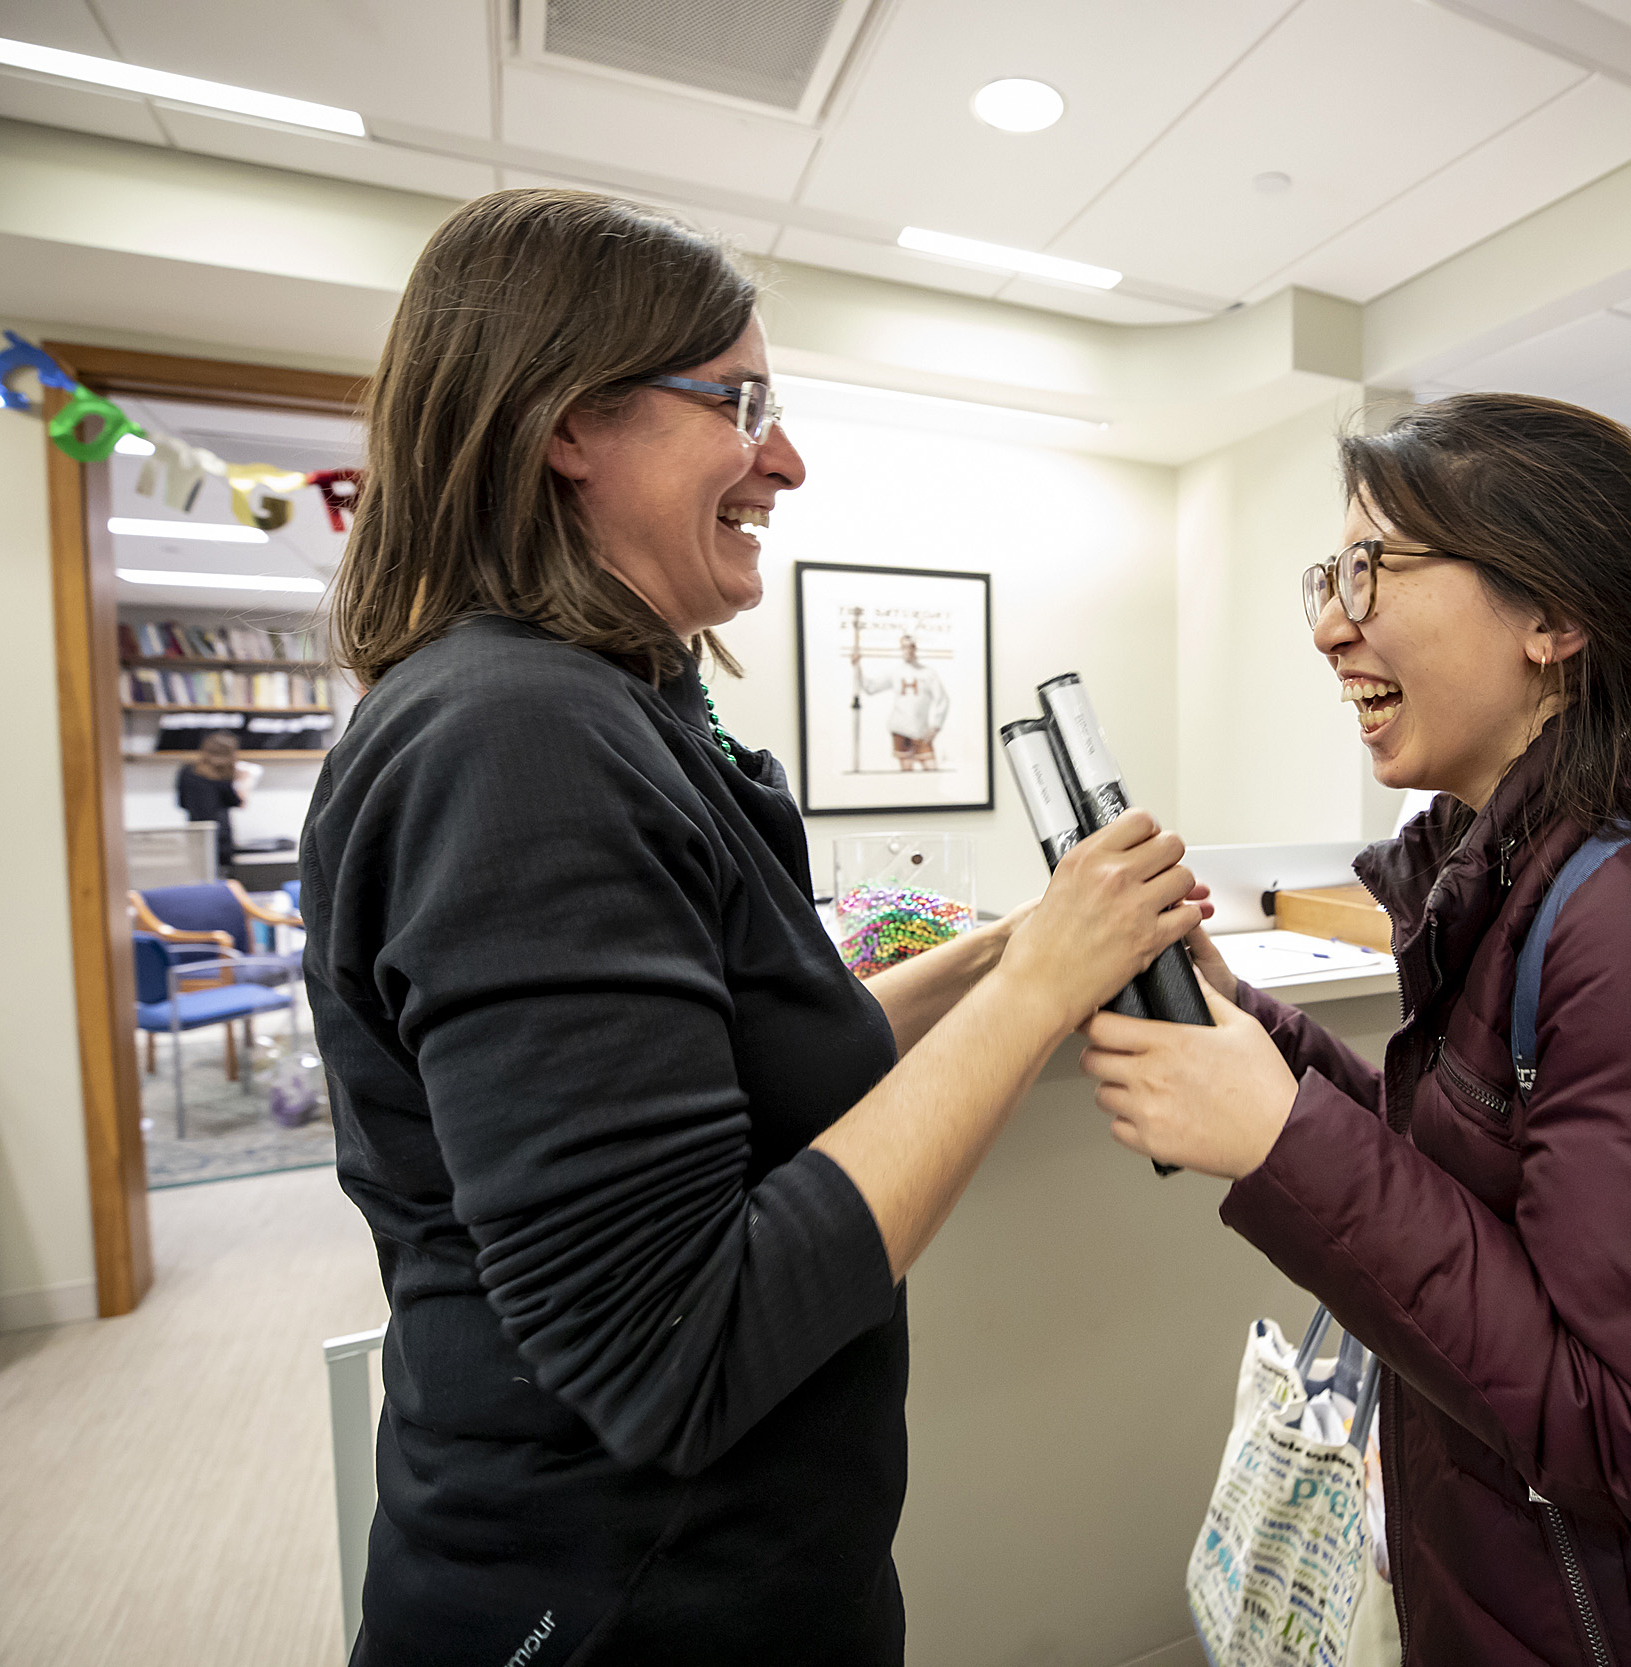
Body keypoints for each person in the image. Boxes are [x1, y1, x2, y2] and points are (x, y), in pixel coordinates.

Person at [301, 189, 1202, 1666]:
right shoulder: (514, 741)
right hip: (618, 1606)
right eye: (740, 402)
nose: (786, 457)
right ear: (565, 421)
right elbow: (677, 1346)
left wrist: (1026, 940)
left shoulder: (617, 706)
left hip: (761, 1573)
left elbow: (781, 1061)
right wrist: (1035, 992)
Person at [1079, 394, 1631, 1665]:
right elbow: (1481, 1195)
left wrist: (1278, 1139)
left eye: (1372, 569)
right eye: (1327, 577)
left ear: (1554, 618)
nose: (1333, 624)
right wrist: (1249, 1030)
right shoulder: (1511, 869)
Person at [854, 632, 948, 771]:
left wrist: (936, 726)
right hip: (899, 728)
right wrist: (857, 667)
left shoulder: (928, 673)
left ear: (915, 648)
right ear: (901, 649)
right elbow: (871, 688)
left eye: (911, 647)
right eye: (904, 647)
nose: (908, 650)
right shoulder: (896, 672)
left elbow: (942, 699)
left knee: (931, 768)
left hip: (920, 730)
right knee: (906, 772)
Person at [174, 728, 258, 874]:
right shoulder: (222, 776)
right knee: (223, 877)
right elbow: (239, 802)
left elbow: (181, 803)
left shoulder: (186, 771)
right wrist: (244, 781)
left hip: (195, 833)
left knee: (198, 875)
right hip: (221, 837)